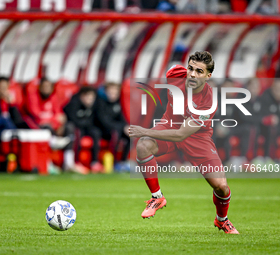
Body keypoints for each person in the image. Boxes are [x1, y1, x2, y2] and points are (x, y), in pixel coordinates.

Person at [129, 51, 239, 234]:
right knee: (143, 145)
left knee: (221, 186)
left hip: (196, 137)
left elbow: (181, 135)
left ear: (208, 76)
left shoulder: (208, 101)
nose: (193, 74)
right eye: (191, 68)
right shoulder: (174, 75)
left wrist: (144, 130)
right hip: (169, 124)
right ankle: (157, 197)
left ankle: (222, 220)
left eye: (199, 71)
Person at [25, 77, 88, 174]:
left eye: (49, 86)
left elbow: (60, 115)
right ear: (40, 87)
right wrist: (54, 120)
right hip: (37, 127)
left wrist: (58, 124)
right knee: (46, 128)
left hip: (54, 126)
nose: (47, 89)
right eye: (44, 86)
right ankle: (47, 163)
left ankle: (68, 163)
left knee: (69, 127)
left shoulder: (53, 97)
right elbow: (37, 116)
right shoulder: (33, 96)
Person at [64, 86, 104, 173]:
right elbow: (72, 120)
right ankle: (76, 162)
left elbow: (94, 120)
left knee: (96, 132)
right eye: (88, 97)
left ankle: (95, 162)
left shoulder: (94, 105)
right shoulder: (73, 104)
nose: (90, 100)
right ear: (82, 96)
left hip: (86, 127)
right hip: (75, 129)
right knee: (77, 132)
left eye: (92, 98)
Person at [97, 82, 130, 172]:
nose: (113, 95)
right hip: (102, 131)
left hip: (116, 129)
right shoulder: (100, 103)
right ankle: (114, 163)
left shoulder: (117, 103)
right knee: (116, 132)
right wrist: (121, 127)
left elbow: (121, 118)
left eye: (115, 93)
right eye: (110, 92)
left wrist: (126, 127)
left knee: (130, 134)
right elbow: (103, 121)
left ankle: (123, 162)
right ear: (105, 92)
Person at [255, 79, 280, 164]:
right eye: (276, 89)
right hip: (265, 128)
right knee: (272, 129)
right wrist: (269, 119)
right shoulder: (265, 98)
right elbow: (259, 117)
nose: (278, 92)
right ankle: (268, 158)